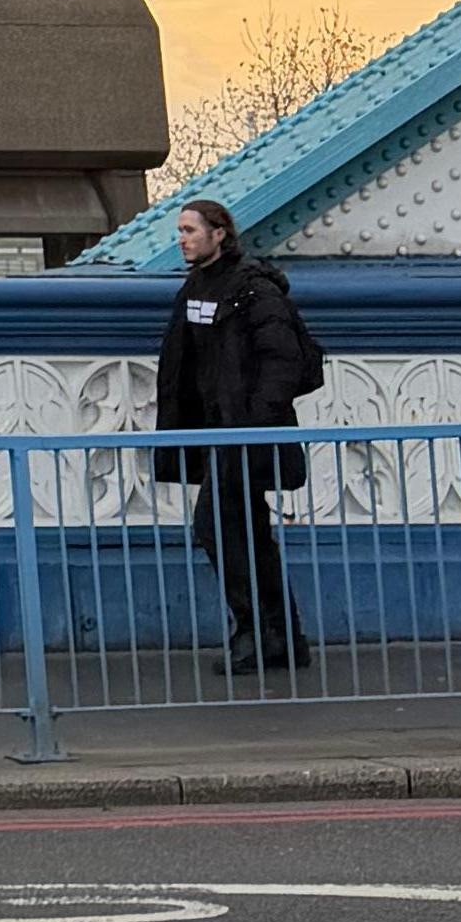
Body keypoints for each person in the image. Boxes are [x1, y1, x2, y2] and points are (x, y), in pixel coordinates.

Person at [155, 196, 321, 670]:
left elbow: (283, 360)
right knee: (247, 532)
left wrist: (255, 421)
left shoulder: (252, 288)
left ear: (218, 233)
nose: (182, 240)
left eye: (190, 230)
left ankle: (256, 632)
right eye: (180, 232)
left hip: (244, 434)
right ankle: (281, 638)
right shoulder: (197, 287)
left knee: (217, 528)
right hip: (216, 435)